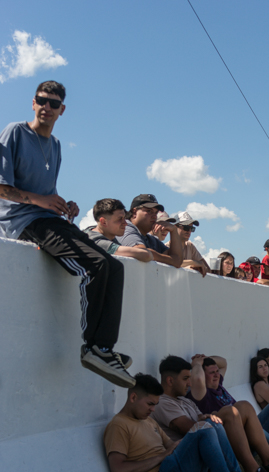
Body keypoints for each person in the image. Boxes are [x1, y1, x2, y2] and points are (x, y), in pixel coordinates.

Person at [0, 80, 134, 388]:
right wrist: (41, 201)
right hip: (24, 222)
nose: (46, 107)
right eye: (41, 100)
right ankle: (93, 348)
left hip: (50, 219)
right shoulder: (15, 132)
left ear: (62, 110)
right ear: (33, 103)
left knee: (114, 267)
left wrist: (63, 204)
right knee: (94, 266)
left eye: (53, 103)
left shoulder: (56, 145)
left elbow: (46, 191)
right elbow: (2, 188)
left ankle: (104, 348)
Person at [104, 373, 269, 472]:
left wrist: (192, 439)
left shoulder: (147, 421)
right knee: (204, 428)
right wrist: (163, 456)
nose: (153, 409)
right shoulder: (119, 425)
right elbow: (118, 470)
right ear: (133, 398)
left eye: (155, 405)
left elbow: (171, 446)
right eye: (150, 404)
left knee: (212, 423)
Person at [153, 355, 269, 472]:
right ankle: (254, 471)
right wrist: (214, 417)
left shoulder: (185, 401)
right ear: (170, 381)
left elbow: (200, 418)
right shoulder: (163, 403)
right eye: (185, 378)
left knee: (244, 406)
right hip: (198, 460)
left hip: (215, 448)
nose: (189, 383)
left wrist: (209, 416)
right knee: (230, 412)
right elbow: (193, 429)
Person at [188, 354, 269, 472]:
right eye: (211, 373)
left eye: (217, 371)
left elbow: (223, 362)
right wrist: (197, 363)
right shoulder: (201, 393)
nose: (216, 375)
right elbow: (197, 379)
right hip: (232, 441)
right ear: (203, 376)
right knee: (239, 408)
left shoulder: (219, 385)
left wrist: (204, 358)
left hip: (246, 436)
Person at [117, 194, 182, 268]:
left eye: (156, 213)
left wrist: (174, 231)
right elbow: (141, 252)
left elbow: (178, 261)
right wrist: (171, 260)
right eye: (149, 211)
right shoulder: (125, 228)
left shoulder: (151, 239)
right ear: (134, 212)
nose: (154, 216)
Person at [86, 198, 153, 262]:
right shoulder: (95, 241)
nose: (125, 223)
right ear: (103, 222)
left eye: (124, 218)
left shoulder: (97, 235)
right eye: (120, 219)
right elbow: (146, 255)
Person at [166, 211, 210, 276]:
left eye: (191, 228)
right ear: (175, 227)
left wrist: (198, 268)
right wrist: (193, 263)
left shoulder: (190, 246)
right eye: (186, 227)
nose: (189, 231)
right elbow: (170, 262)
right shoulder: (167, 247)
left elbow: (206, 268)